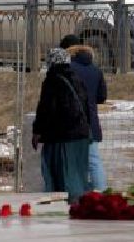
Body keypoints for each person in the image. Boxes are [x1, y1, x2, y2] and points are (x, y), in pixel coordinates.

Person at [31, 47, 91, 202]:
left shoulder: (53, 79)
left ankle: (65, 207)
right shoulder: (77, 78)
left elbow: (46, 108)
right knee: (79, 174)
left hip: (62, 137)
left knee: (63, 175)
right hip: (81, 135)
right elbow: (86, 105)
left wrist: (38, 131)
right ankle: (81, 204)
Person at [59, 33, 109, 190]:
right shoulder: (95, 70)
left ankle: (75, 196)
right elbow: (102, 97)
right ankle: (100, 194)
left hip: (71, 123)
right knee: (94, 161)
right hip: (91, 123)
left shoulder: (65, 69)